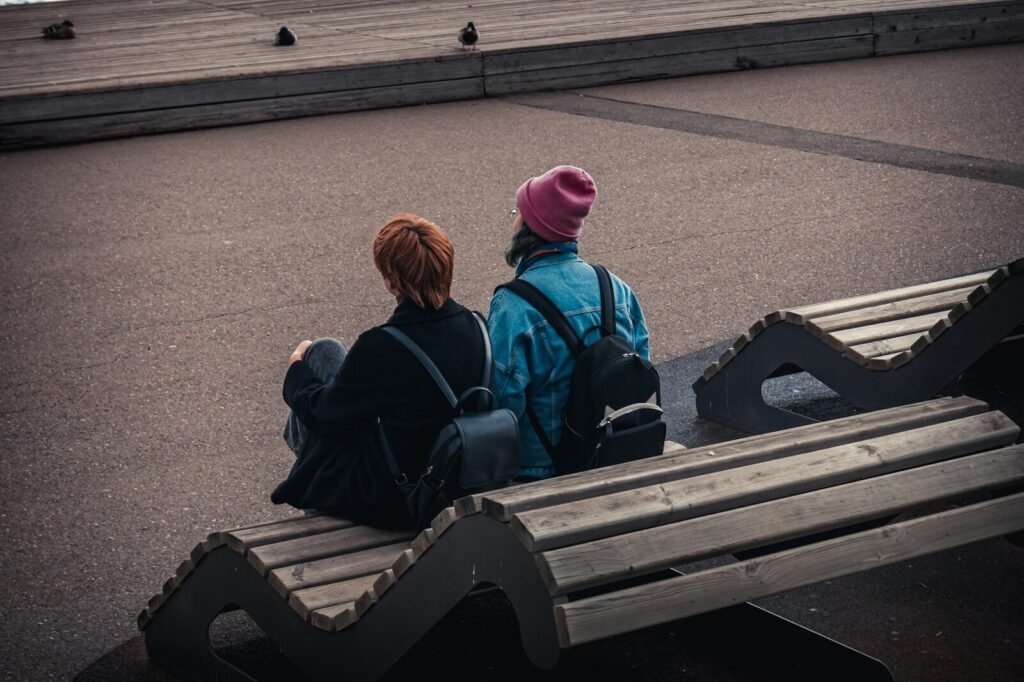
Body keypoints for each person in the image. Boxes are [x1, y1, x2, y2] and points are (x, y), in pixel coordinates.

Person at [272, 214, 487, 528]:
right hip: (455, 475)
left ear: (391, 280)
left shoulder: (383, 347)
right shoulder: (477, 326)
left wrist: (296, 370)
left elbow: (322, 414)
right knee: (327, 350)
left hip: (401, 497)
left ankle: (318, 513)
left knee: (316, 362)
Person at [487, 166, 651, 480]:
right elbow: (641, 364)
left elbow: (500, 403)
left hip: (540, 472)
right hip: (612, 456)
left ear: (529, 227)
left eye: (518, 213)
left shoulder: (515, 305)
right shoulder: (616, 289)